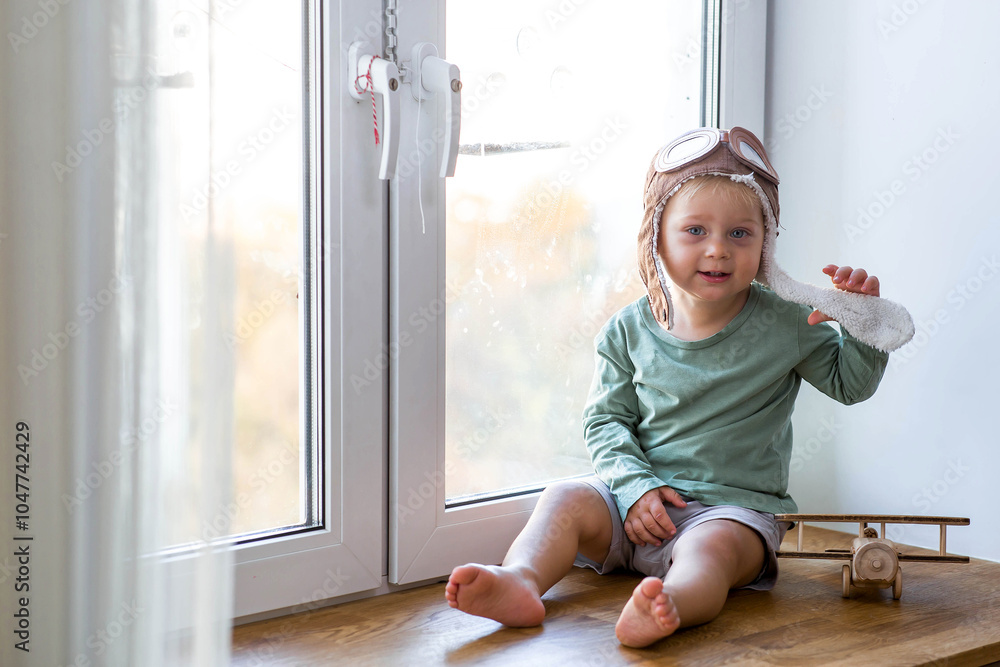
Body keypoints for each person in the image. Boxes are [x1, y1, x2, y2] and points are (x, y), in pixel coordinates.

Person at [445, 127, 906, 648]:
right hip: (632, 505)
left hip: (734, 512)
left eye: (740, 234)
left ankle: (672, 604)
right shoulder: (627, 330)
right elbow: (605, 422)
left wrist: (863, 326)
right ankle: (521, 581)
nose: (718, 250)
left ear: (766, 243)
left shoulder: (790, 324)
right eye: (694, 231)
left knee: (709, 550)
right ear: (656, 236)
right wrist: (634, 486)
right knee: (564, 497)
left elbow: (851, 386)